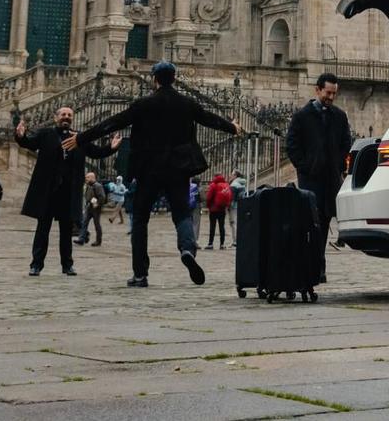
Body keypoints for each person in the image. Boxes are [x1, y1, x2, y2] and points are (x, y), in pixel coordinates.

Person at [75, 61, 237, 288]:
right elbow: (209, 118)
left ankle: (140, 274)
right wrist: (232, 127)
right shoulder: (186, 103)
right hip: (178, 169)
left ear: (155, 79)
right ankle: (187, 249)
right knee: (182, 214)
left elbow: (112, 123)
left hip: (148, 169)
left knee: (140, 220)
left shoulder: (143, 104)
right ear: (174, 77)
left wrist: (81, 138)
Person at [16, 106, 118, 276]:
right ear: (56, 118)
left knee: (66, 231)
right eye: (63, 114)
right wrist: (20, 136)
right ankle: (36, 265)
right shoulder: (46, 134)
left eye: (69, 115)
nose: (66, 117)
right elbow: (29, 143)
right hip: (49, 190)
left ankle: (67, 265)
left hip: (68, 191)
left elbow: (96, 152)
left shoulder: (79, 138)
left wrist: (111, 148)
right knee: (43, 229)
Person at [286, 72, 353, 244]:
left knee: (323, 224)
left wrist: (338, 165)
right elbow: (292, 145)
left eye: (334, 94)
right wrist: (305, 167)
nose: (331, 97)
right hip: (310, 180)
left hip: (330, 180)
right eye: (328, 93)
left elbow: (346, 143)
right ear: (318, 90)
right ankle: (309, 267)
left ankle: (319, 268)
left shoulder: (339, 116)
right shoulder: (302, 116)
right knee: (309, 224)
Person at [204, 172, 235, 249]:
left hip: (213, 209)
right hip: (222, 209)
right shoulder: (226, 185)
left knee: (212, 226)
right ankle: (222, 244)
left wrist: (208, 206)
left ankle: (210, 243)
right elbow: (230, 196)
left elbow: (209, 197)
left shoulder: (213, 185)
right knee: (222, 226)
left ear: (215, 177)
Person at [80, 170, 107, 246]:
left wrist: (97, 203)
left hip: (96, 208)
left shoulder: (98, 186)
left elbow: (102, 197)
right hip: (89, 207)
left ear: (92, 177)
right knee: (84, 222)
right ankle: (81, 239)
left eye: (88, 177)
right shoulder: (89, 185)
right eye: (86, 177)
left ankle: (98, 241)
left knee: (97, 224)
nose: (86, 179)